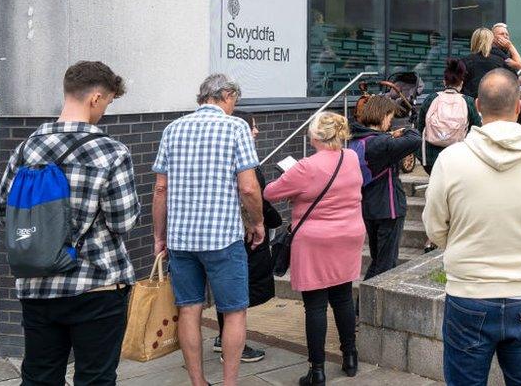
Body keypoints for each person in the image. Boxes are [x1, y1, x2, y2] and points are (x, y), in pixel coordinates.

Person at [423, 68, 521, 386]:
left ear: (477, 106)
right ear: (519, 106)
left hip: (469, 296)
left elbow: (435, 228)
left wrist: (465, 243)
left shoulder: (450, 160)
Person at [0, 61, 137, 385]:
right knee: (96, 378)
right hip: (97, 286)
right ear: (95, 98)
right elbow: (122, 222)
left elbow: (5, 210)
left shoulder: (26, 148)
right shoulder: (110, 152)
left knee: (40, 377)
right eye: (108, 103)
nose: (104, 111)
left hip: (38, 285)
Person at [152, 73, 265, 386]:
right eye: (235, 101)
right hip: (222, 238)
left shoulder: (172, 129)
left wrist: (160, 236)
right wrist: (257, 222)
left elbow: (161, 189)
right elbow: (249, 187)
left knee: (188, 310)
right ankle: (229, 383)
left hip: (181, 239)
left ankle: (198, 382)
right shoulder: (236, 127)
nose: (234, 107)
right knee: (234, 312)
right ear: (226, 95)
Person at [263, 113, 365, 385]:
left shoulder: (305, 167)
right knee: (343, 296)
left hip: (316, 240)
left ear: (315, 136)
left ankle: (317, 371)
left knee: (316, 306)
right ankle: (350, 358)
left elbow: (270, 193)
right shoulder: (351, 157)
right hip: (349, 234)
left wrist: (294, 184)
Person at [212, 114, 283, 364]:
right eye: (252, 127)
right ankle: (233, 346)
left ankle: (225, 338)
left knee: (229, 290)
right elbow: (250, 192)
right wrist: (262, 221)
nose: (256, 131)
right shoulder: (241, 159)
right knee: (236, 294)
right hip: (244, 233)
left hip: (230, 231)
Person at [350, 95, 422, 279]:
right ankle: (365, 307)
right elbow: (415, 139)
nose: (390, 122)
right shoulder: (381, 143)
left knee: (377, 260)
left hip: (368, 207)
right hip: (388, 208)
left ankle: (364, 306)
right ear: (382, 115)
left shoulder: (357, 141)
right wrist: (403, 130)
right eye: (390, 117)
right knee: (385, 265)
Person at [417, 58, 481, 175]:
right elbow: (477, 128)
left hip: (431, 159)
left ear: (444, 82)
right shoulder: (468, 101)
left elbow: (420, 126)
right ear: (461, 83)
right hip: (458, 158)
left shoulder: (431, 99)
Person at [461, 28, 505, 99]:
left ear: (474, 41)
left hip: (471, 102)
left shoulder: (465, 61)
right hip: (494, 101)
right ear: (491, 41)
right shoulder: (500, 61)